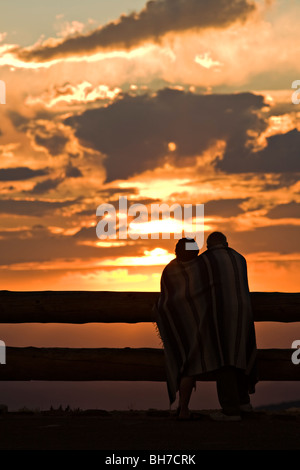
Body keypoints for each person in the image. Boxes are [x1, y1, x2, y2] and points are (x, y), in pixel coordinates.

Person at [154, 233, 257, 421]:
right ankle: (244, 403)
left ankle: (230, 411)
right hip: (243, 314)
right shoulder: (239, 258)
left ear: (208, 247)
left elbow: (189, 285)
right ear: (226, 243)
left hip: (219, 318)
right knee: (240, 354)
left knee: (224, 359)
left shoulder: (205, 261)